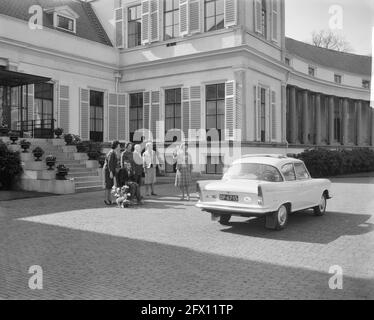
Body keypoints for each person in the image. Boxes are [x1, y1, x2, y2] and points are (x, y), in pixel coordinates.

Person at [103, 140, 120, 205]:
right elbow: (110, 163)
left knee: (110, 185)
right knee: (108, 185)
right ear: (116, 146)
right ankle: (106, 199)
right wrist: (111, 172)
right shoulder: (111, 153)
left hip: (110, 170)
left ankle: (109, 199)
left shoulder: (113, 152)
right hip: (108, 171)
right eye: (118, 145)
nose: (119, 146)